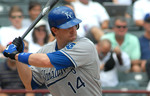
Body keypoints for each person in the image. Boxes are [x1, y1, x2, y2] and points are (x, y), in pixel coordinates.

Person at [3, 6, 102, 96]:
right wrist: (19, 58)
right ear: (54, 30)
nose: (73, 30)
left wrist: (16, 55)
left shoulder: (85, 45)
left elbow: (47, 61)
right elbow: (29, 84)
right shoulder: (45, 50)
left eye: (75, 25)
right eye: (67, 27)